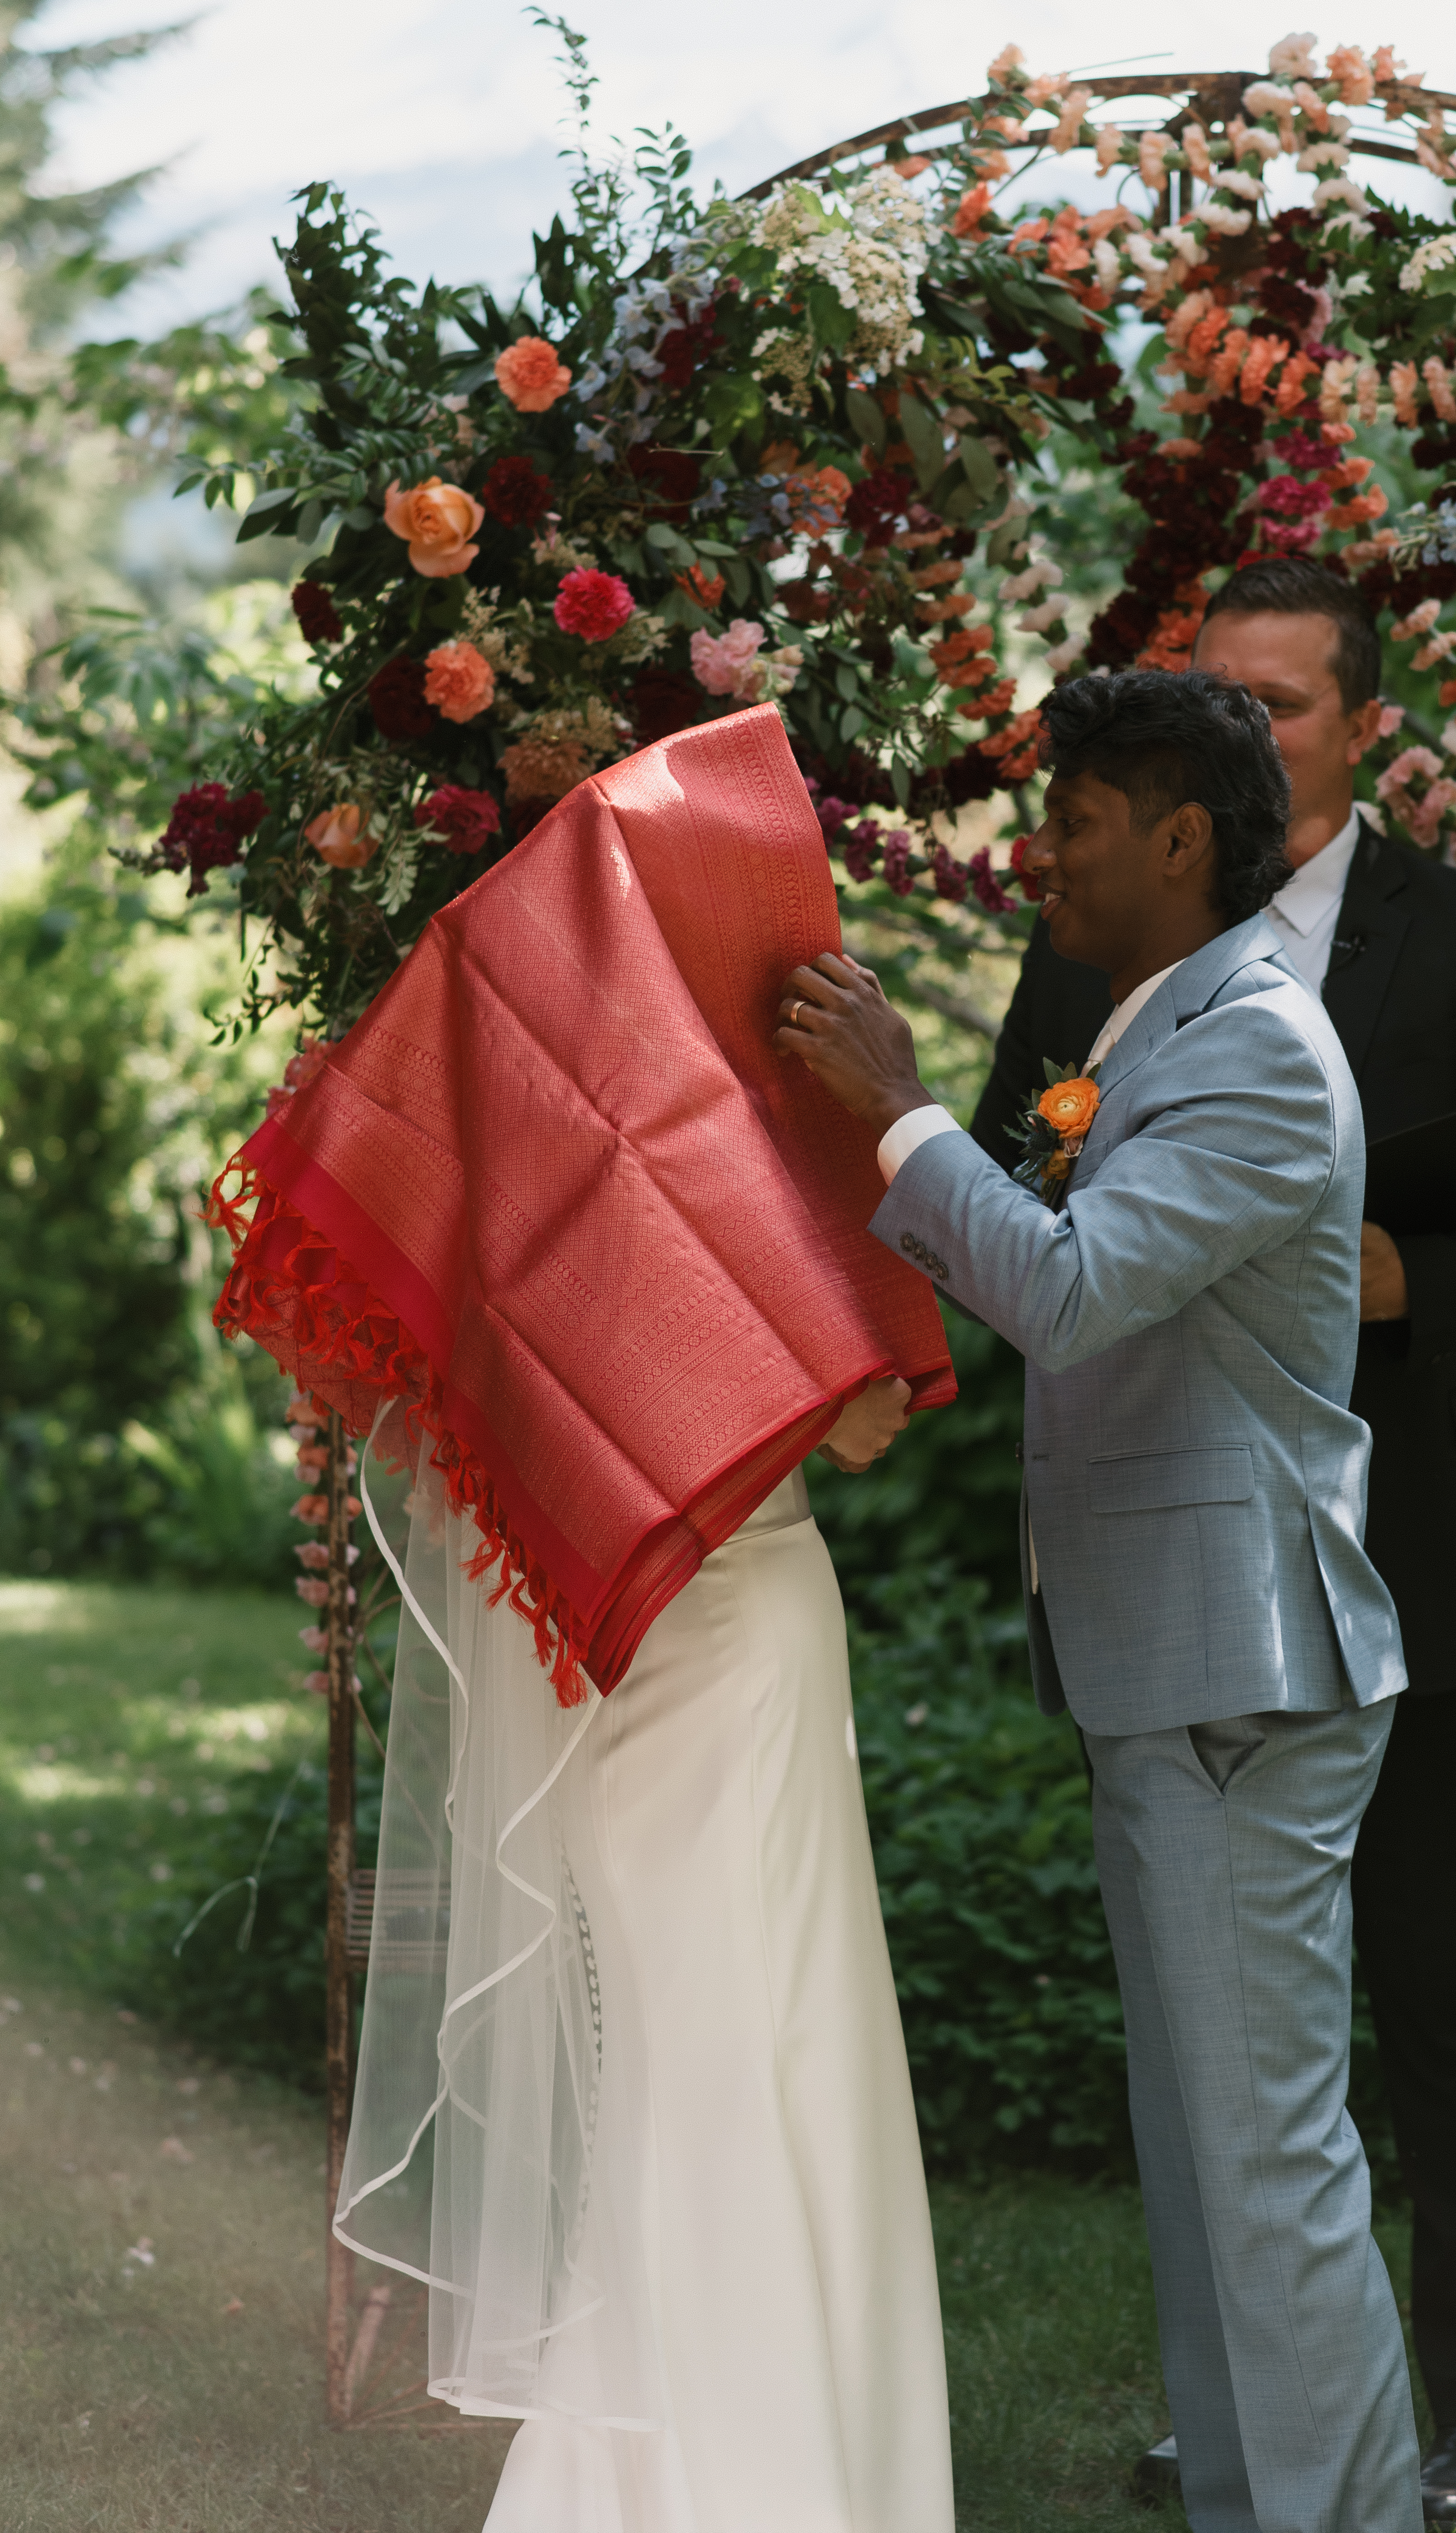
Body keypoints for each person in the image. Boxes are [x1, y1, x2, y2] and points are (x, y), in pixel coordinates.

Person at [208, 706, 958, 2533]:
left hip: (625, 1672)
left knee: (690, 2068)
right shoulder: (720, 1168)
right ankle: (783, 2480)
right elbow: (865, 1417)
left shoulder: (512, 1186)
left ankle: (666, 2475)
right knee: (768, 2055)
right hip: (744, 1639)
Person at [970, 557, 1456, 2525]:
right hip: (1184, 1528)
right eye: (1227, 696)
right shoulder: (1113, 938)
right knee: (1226, 2050)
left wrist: (1405, 1274)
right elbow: (1039, 1158)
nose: (1253, 725)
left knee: (1437, 1972)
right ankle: (1261, 2420)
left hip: (1415, 1513)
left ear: (1361, 725)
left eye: (1282, 700)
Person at [778, 666, 1424, 2533]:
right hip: (1182, 1664)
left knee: (1266, 2165)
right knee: (1208, 2158)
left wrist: (904, 1110)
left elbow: (1064, 1289)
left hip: (1245, 1670)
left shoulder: (1252, 1044)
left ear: (1178, 838)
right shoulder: (1162, 1029)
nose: (1037, 847)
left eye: (1070, 816)